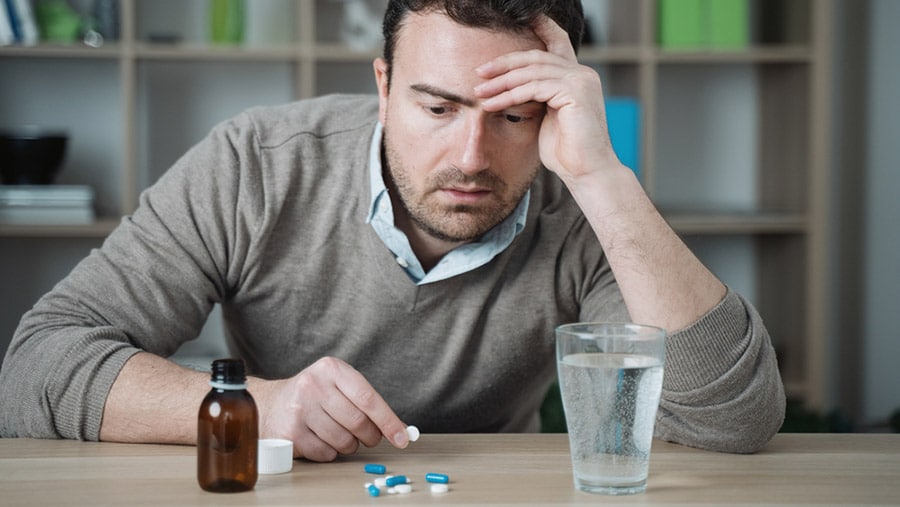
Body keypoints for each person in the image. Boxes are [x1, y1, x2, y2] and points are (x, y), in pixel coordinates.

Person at [0, 0, 785, 460]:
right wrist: (260, 408)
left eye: (513, 116)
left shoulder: (581, 204)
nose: (471, 156)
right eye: (437, 108)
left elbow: (731, 420)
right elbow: (36, 365)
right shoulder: (257, 164)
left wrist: (604, 181)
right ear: (382, 86)